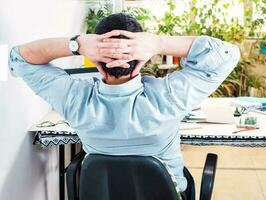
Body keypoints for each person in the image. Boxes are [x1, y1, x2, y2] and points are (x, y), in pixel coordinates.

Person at [9, 13, 240, 198]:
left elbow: (16, 58)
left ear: (97, 61)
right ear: (142, 58)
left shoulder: (74, 99)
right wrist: (158, 43)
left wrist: (77, 44)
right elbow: (228, 54)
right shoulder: (169, 96)